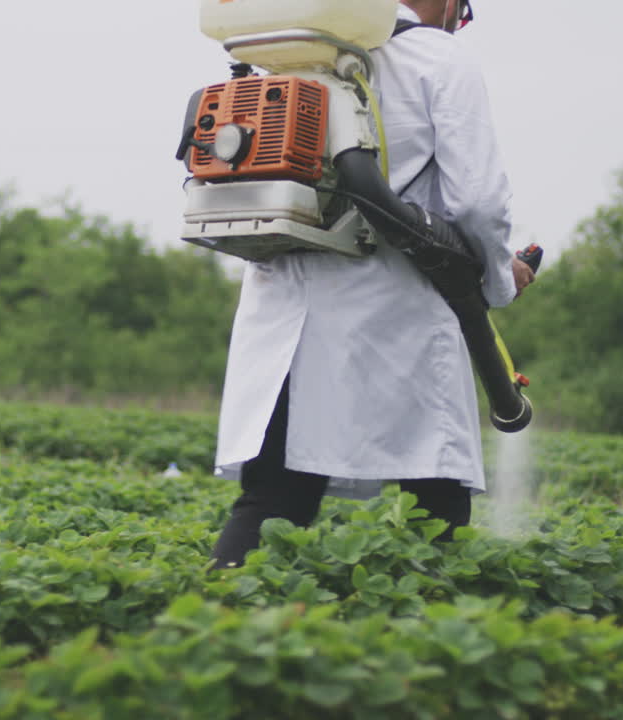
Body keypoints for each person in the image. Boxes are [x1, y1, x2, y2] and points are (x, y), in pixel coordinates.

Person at [209, 0, 535, 569]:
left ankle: (209, 639)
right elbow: (478, 202)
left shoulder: (288, 51)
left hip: (282, 318)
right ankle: (429, 645)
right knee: (433, 503)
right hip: (396, 317)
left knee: (272, 500)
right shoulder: (438, 58)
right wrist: (498, 279)